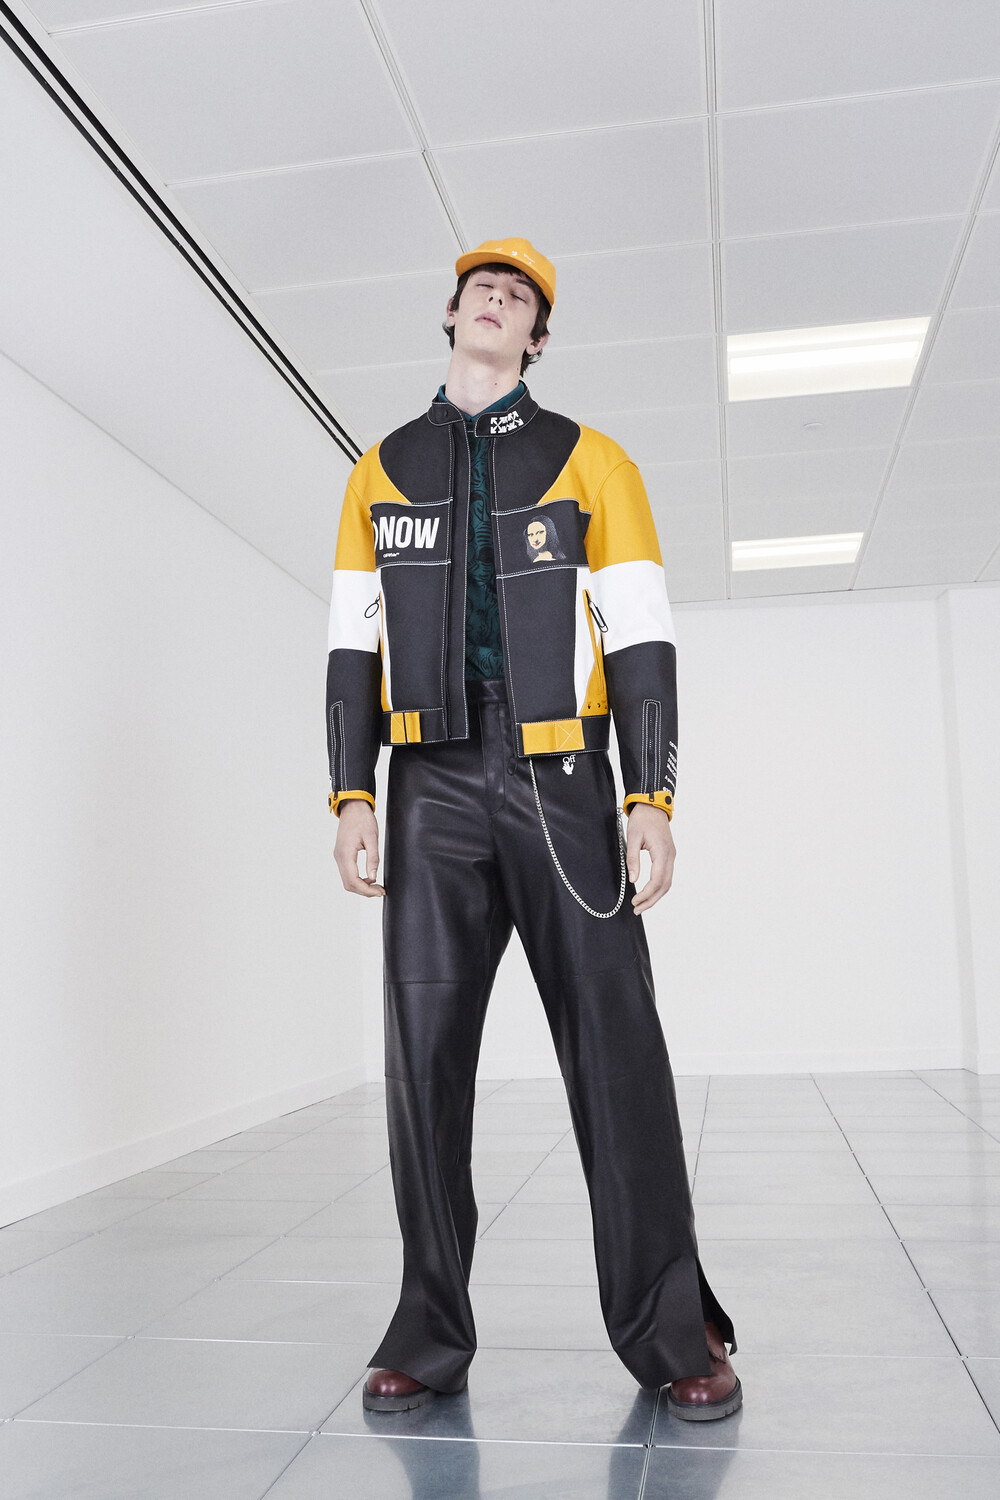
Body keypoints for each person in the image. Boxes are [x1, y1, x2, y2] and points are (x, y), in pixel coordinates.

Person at [326, 237, 741, 1422]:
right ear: (451, 313)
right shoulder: (378, 469)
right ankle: (428, 1333)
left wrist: (650, 794)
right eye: (482, 289)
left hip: (561, 780)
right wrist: (351, 792)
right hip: (429, 785)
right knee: (421, 1069)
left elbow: (643, 634)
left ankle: (673, 1333)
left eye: (518, 297)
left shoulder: (593, 461)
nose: (497, 302)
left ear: (536, 338)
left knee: (618, 1058)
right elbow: (351, 642)